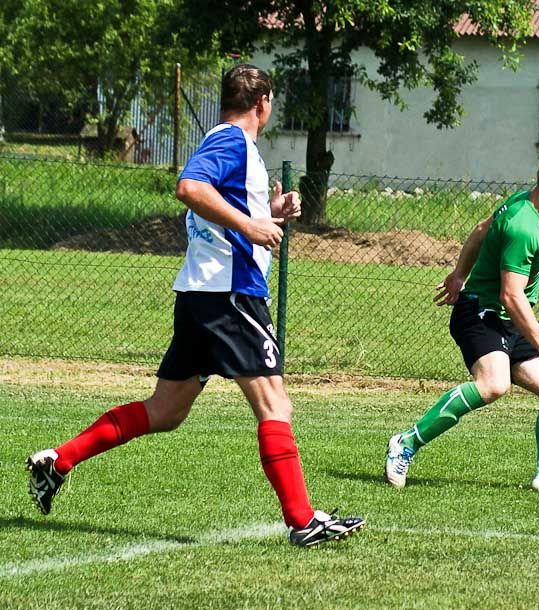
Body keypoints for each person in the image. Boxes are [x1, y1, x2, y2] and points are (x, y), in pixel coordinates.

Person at [25, 64, 364, 546]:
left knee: (165, 411)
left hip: (201, 295)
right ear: (264, 102)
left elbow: (214, 209)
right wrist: (251, 227)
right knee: (275, 404)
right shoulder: (230, 142)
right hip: (230, 296)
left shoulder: (229, 143)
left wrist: (269, 213)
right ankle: (302, 521)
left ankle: (58, 461)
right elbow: (190, 188)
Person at [385, 145, 539, 492]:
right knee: (493, 384)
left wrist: (458, 273)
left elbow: (481, 230)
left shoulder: (523, 204)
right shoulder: (523, 225)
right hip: (480, 313)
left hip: (508, 319)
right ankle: (405, 443)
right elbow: (510, 295)